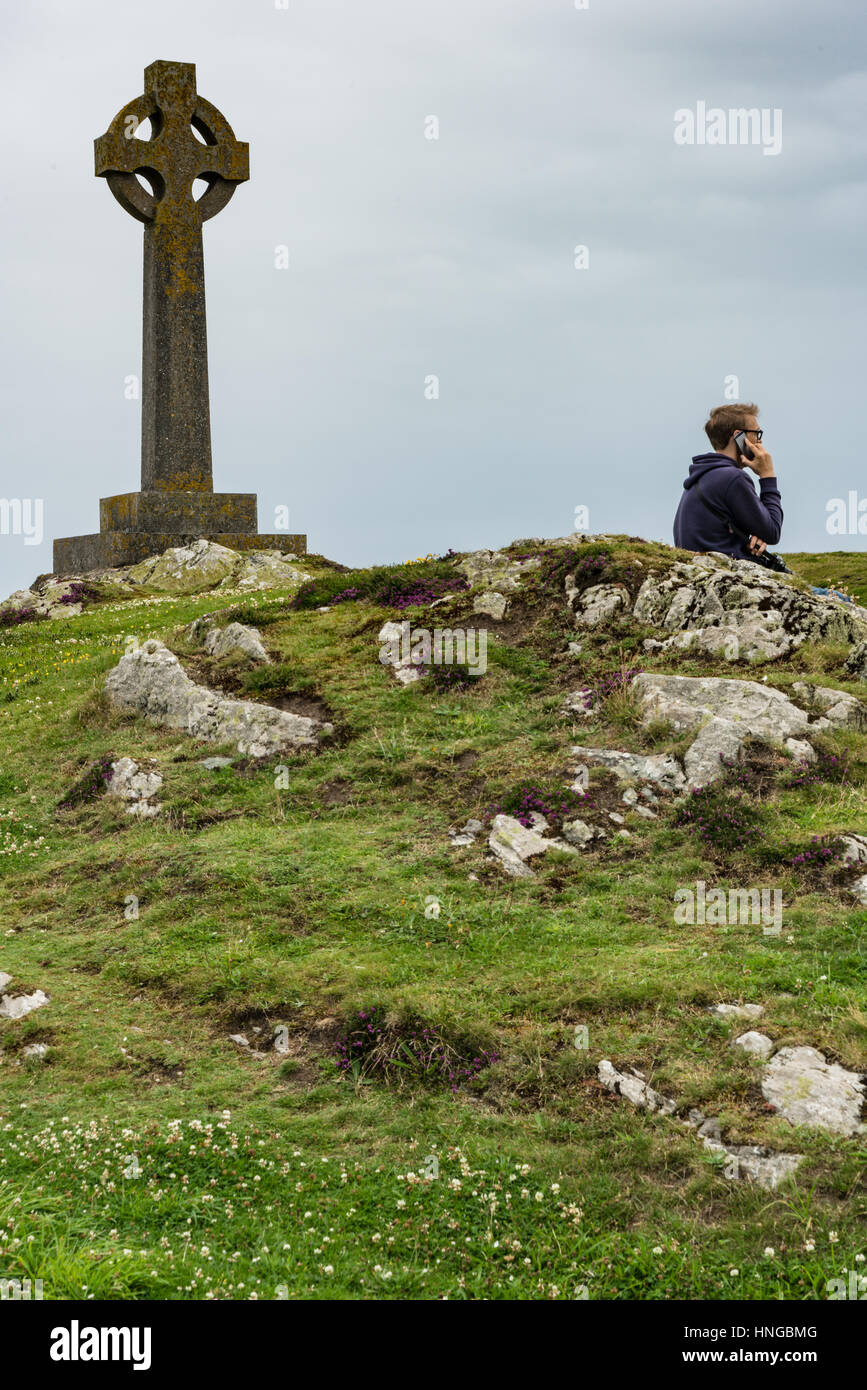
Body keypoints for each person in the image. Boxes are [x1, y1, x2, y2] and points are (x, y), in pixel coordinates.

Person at [673, 403, 782, 565]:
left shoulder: (702, 475)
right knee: (828, 592)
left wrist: (753, 535)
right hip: (727, 571)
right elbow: (772, 532)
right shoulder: (733, 478)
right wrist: (768, 476)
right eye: (756, 433)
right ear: (739, 436)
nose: (759, 441)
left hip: (704, 568)